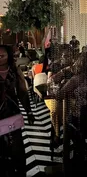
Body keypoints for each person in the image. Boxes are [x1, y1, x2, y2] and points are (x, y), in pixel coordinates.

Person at [0, 45, 35, 177]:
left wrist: (29, 111)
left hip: (12, 114)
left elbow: (22, 92)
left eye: (2, 55)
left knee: (17, 149)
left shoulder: (15, 70)